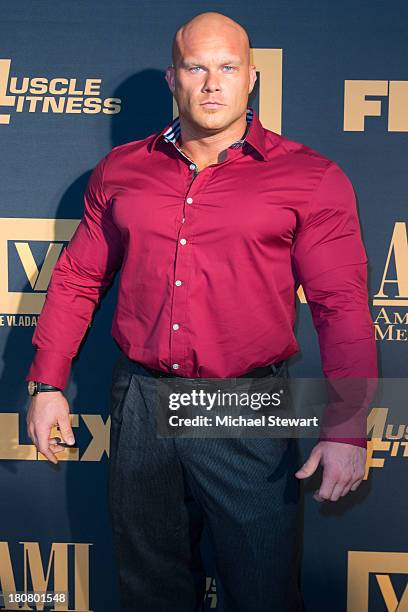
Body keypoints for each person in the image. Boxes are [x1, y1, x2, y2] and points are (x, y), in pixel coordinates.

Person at [25, 11, 378, 612]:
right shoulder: (120, 171)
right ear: (174, 78)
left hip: (246, 401)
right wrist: (47, 379)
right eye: (196, 67)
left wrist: (346, 424)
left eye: (227, 67)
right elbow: (80, 275)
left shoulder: (310, 178)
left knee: (264, 589)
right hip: (139, 397)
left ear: (251, 78)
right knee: (149, 588)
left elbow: (341, 306)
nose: (212, 83)